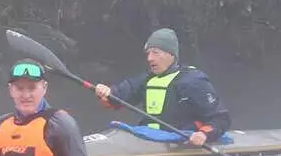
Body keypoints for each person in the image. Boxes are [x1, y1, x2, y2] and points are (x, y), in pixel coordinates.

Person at [94, 28, 231, 147]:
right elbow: (119, 96)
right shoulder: (147, 79)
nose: (149, 58)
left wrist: (203, 134)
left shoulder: (193, 81)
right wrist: (107, 92)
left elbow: (221, 119)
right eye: (148, 53)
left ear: (171, 54)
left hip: (181, 141)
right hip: (148, 137)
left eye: (155, 52)